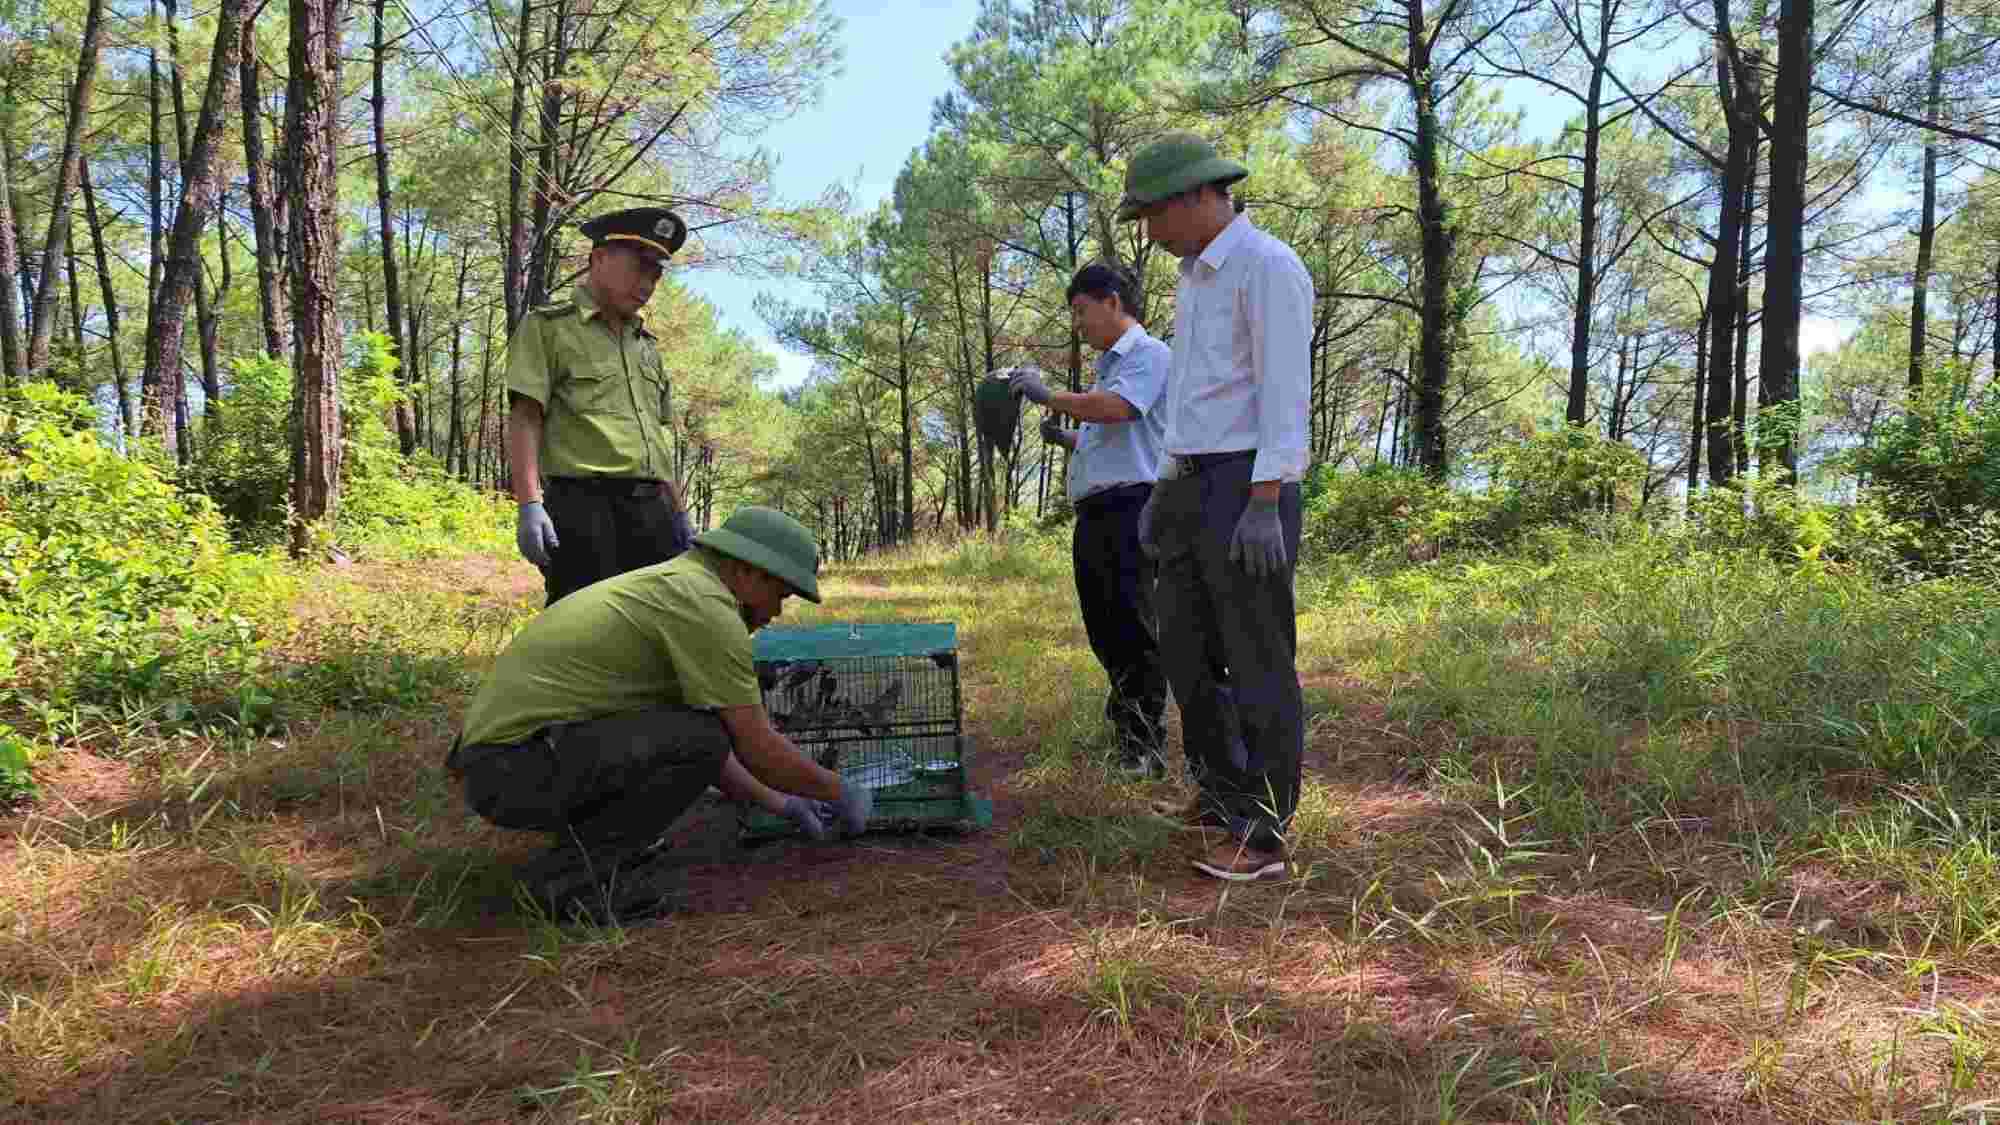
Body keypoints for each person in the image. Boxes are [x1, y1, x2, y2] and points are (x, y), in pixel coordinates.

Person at [446, 506, 874, 918]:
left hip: (503, 763)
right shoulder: (704, 605)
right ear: (747, 571)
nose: (775, 612)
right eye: (778, 594)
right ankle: (569, 885)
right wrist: (840, 791)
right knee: (701, 736)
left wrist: (781, 803)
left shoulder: (676, 585)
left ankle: (591, 858)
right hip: (513, 768)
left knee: (696, 734)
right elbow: (750, 744)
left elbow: (696, 745)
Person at [1118, 132, 1312, 883]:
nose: (1149, 233)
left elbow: (1284, 390)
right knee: (1189, 652)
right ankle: (1221, 792)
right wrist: (1166, 482)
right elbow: (1197, 395)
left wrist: (1266, 496)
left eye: (1153, 215)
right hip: (1191, 482)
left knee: (1258, 654)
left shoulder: (1268, 267)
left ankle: (1264, 833)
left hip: (1246, 485)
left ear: (1198, 196)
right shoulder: (1195, 279)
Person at [1011, 263, 1170, 777]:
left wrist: (1048, 395)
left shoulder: (1149, 355)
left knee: (1132, 625)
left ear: (1113, 301)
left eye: (1082, 311)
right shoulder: (1109, 369)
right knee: (1105, 627)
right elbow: (1114, 439)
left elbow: (1120, 411)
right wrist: (1067, 439)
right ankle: (1126, 726)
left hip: (1132, 508)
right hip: (1099, 512)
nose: (1078, 324)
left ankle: (1145, 746)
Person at [507, 206, 696, 608]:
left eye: (656, 274)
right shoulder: (548, 328)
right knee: (585, 630)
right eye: (639, 267)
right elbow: (526, 417)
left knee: (668, 627)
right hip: (585, 508)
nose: (648, 284)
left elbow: (657, 441)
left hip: (656, 510)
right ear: (599, 258)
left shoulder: (647, 347)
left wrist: (680, 516)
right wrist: (529, 504)